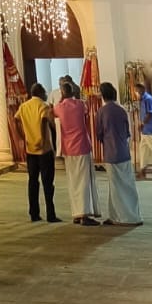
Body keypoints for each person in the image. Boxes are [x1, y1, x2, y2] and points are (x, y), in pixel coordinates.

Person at [95, 82, 142, 225]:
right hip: (124, 151)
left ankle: (122, 217)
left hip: (111, 152)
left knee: (115, 187)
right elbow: (128, 132)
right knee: (128, 185)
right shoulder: (122, 110)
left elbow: (99, 133)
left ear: (103, 95)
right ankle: (128, 215)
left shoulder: (101, 112)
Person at [14, 83, 61, 223]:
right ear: (41, 93)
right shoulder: (43, 106)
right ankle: (50, 214)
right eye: (45, 92)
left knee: (33, 181)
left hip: (30, 149)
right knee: (48, 183)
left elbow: (16, 120)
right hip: (44, 149)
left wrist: (22, 137)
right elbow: (43, 121)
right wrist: (42, 137)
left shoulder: (24, 106)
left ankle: (34, 213)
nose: (47, 94)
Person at [54, 82, 100, 225]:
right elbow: (86, 111)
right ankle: (84, 214)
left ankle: (76, 213)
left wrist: (62, 99)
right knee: (84, 181)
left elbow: (54, 112)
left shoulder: (59, 108)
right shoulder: (80, 104)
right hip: (82, 146)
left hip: (68, 149)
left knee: (73, 181)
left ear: (62, 93)